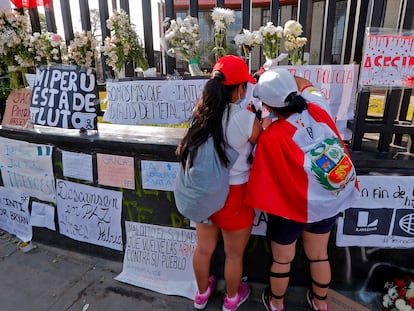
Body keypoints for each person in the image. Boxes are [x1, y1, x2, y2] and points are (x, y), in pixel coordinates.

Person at [245, 68, 359, 311]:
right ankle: (320, 302)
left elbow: (258, 166)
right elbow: (306, 83)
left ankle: (276, 303)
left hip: (292, 209)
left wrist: (264, 127)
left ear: (269, 107)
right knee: (319, 254)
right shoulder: (318, 105)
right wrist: (274, 74)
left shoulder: (271, 137)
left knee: (282, 260)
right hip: (329, 200)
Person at [176, 55, 262, 311]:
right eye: (244, 86)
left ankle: (201, 295)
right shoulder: (245, 118)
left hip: (203, 194)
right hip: (235, 196)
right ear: (239, 89)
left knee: (203, 249)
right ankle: (232, 299)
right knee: (234, 254)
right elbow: (259, 138)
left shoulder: (199, 115)